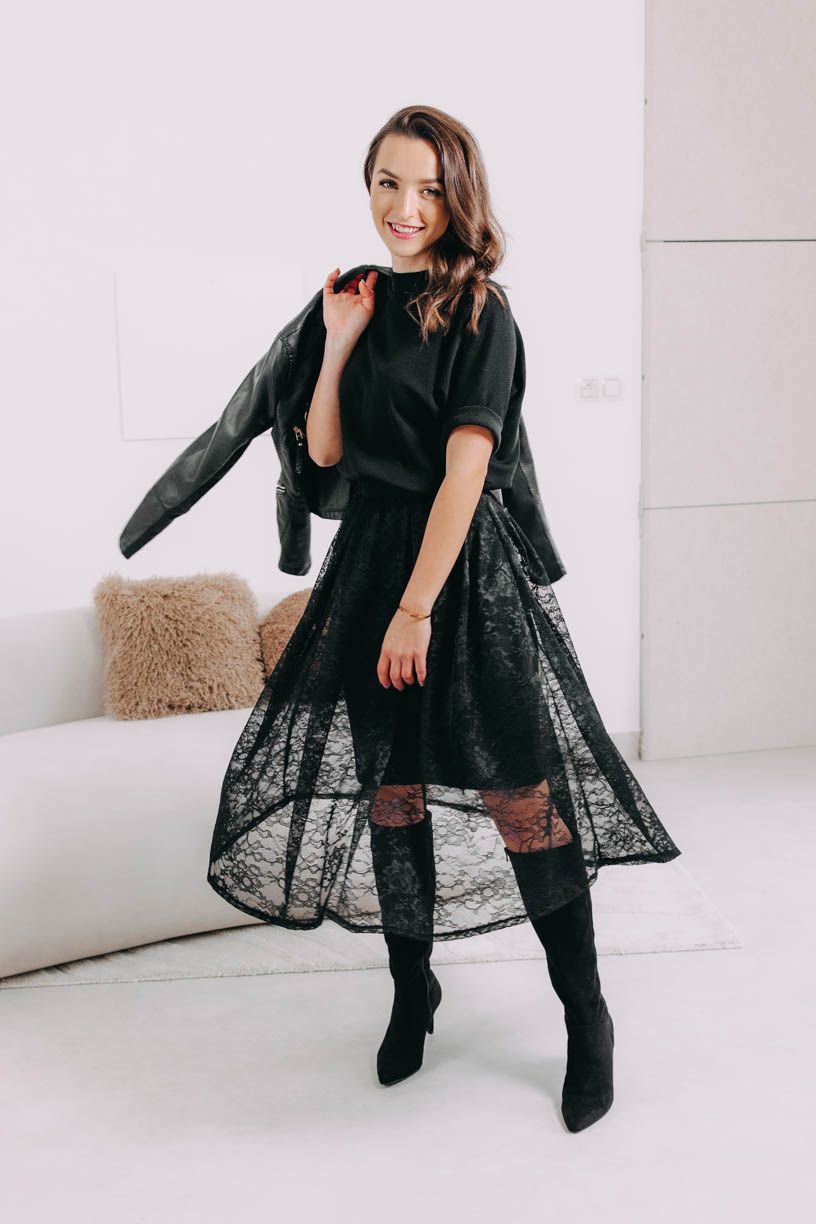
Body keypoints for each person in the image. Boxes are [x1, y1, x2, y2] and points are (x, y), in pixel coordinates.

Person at [206, 105, 682, 1132]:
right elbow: (324, 456)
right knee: (393, 794)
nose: (405, 207)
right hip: (367, 567)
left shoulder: (481, 312)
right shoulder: (356, 300)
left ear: (458, 196)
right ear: (368, 186)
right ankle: (410, 991)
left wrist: (416, 608)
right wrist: (338, 343)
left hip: (459, 579)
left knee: (522, 799)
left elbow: (468, 473)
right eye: (388, 183)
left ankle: (587, 1014)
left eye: (427, 188)